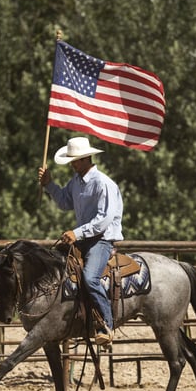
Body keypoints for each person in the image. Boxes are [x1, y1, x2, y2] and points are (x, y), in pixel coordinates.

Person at [38, 136, 123, 346]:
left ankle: (106, 324)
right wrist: (49, 185)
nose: (73, 164)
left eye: (75, 160)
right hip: (85, 238)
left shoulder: (103, 183)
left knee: (90, 277)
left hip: (101, 240)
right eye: (72, 161)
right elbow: (65, 202)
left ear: (86, 158)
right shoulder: (76, 182)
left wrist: (77, 233)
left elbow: (104, 220)